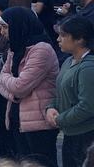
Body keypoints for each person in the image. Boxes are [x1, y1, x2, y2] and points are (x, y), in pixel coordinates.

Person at [0, 7, 59, 167]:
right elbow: (0, 81)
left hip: (38, 122)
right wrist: (14, 94)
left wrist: (10, 85)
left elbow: (20, 86)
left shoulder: (41, 49)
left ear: (18, 25)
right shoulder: (16, 47)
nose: (1, 31)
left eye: (5, 27)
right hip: (17, 118)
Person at [46, 17, 94, 167]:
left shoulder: (88, 68)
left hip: (85, 136)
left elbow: (87, 106)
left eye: (63, 35)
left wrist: (59, 120)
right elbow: (60, 90)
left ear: (79, 39)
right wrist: (51, 107)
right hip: (70, 133)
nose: (58, 39)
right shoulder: (68, 61)